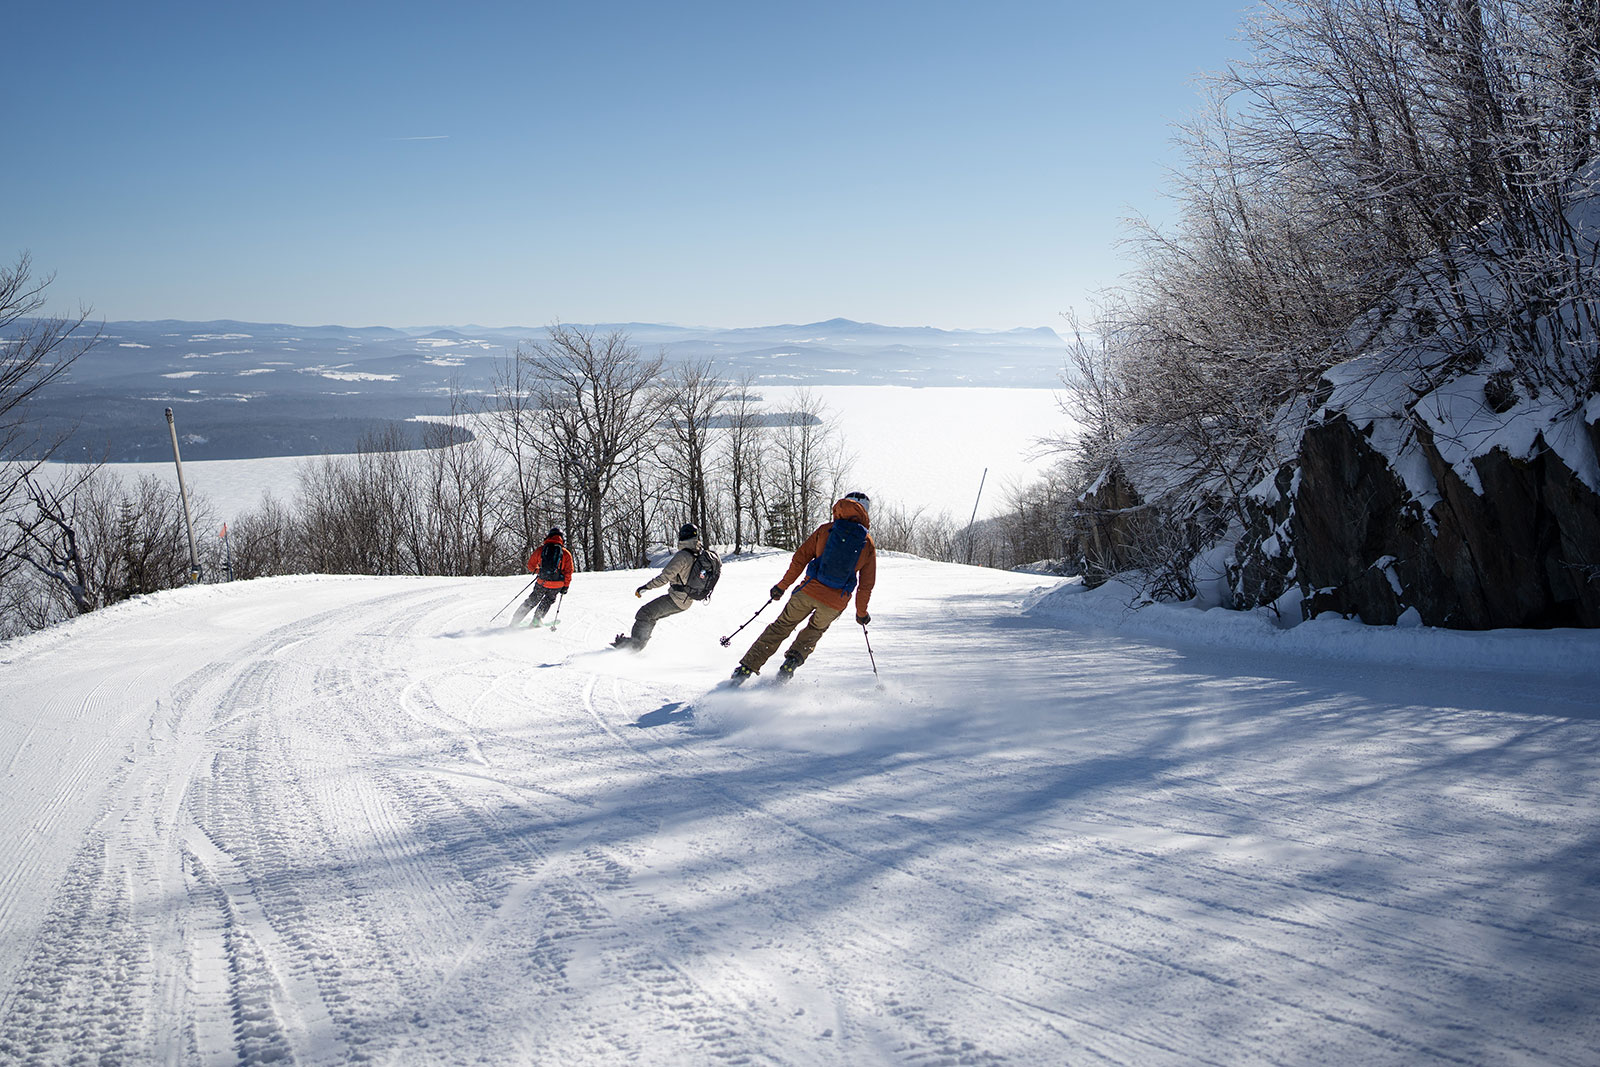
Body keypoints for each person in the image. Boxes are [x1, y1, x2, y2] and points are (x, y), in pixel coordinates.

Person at [731, 491, 875, 682]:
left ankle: (746, 668)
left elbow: (800, 560)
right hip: (835, 602)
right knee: (814, 631)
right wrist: (861, 613)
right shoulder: (867, 543)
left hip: (807, 591)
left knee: (781, 627)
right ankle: (792, 662)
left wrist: (782, 586)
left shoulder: (825, 530)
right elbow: (866, 584)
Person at [613, 523, 706, 650]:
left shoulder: (683, 556)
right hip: (686, 599)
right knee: (651, 614)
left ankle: (634, 646)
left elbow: (665, 577)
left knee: (645, 613)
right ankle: (637, 643)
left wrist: (646, 587)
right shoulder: (699, 552)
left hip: (677, 598)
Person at [511, 527, 574, 626]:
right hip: (557, 584)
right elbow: (568, 572)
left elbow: (531, 565)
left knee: (533, 599)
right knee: (548, 600)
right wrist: (565, 586)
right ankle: (536, 620)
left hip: (542, 581)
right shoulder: (566, 553)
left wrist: (539, 571)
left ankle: (516, 619)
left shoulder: (541, 550)